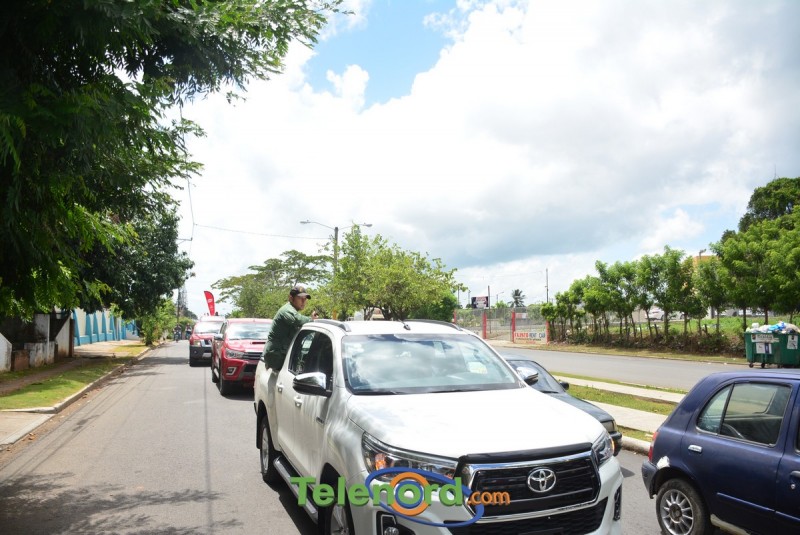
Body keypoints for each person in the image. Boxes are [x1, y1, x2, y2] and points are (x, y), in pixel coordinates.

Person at [262, 284, 318, 370]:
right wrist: (311, 320)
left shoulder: (292, 310)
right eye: (300, 298)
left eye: (305, 299)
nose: (303, 301)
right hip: (276, 355)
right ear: (291, 298)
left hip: (279, 353)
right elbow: (297, 319)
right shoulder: (286, 310)